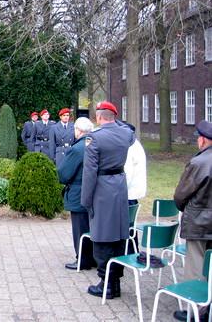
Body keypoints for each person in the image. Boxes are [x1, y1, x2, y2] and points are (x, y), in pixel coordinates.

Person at [81, 101, 134, 299]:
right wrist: (114, 120)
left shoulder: (94, 139)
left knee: (102, 235)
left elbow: (89, 173)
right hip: (120, 186)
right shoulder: (126, 134)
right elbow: (128, 130)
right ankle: (116, 282)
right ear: (113, 116)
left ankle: (106, 284)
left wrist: (86, 200)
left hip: (102, 189)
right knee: (119, 234)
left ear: (99, 117)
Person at [173, 120, 212, 322]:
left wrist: (183, 208)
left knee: (196, 268)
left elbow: (180, 196)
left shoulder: (199, 163)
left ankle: (197, 312)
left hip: (199, 224)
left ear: (203, 140)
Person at [57, 117, 97, 271]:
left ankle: (83, 259)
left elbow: (64, 173)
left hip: (78, 192)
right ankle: (93, 257)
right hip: (94, 193)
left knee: (80, 228)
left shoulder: (77, 149)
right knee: (91, 227)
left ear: (79, 131)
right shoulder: (95, 144)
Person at [120, 121, 147, 254]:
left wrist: (119, 190)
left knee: (128, 226)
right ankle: (132, 250)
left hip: (128, 193)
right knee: (130, 225)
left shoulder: (129, 147)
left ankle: (129, 251)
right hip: (133, 193)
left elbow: (127, 172)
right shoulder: (136, 144)